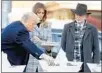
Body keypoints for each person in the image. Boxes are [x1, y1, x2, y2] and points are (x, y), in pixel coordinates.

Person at [61, 3, 100, 72]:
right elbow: (63, 45)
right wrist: (69, 54)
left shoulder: (93, 29)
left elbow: (96, 49)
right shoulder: (67, 27)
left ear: (85, 16)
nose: (78, 17)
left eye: (81, 15)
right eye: (77, 15)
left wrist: (95, 66)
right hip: (71, 64)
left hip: (86, 66)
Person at [26, 3, 53, 72]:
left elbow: (49, 43)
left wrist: (40, 41)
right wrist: (43, 42)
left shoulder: (48, 25)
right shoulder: (29, 24)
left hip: (44, 60)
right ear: (34, 13)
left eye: (42, 13)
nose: (41, 15)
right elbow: (29, 42)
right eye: (39, 12)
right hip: (31, 59)